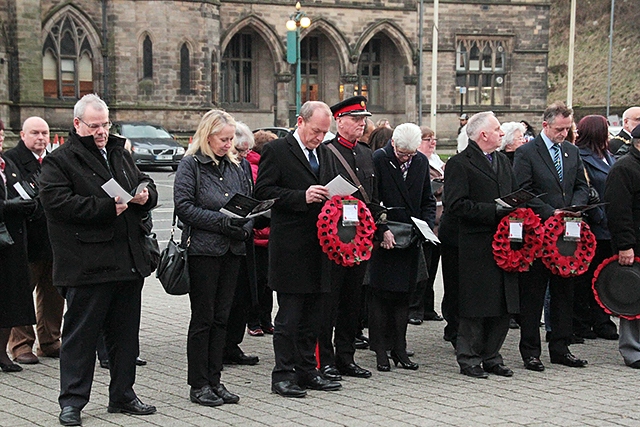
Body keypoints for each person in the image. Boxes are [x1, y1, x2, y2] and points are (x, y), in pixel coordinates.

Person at [39, 94, 158, 426]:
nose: (102, 131)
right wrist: (108, 207)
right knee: (81, 338)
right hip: (87, 264)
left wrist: (147, 195)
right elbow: (56, 203)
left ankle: (123, 395)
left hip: (127, 261)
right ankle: (72, 402)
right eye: (95, 126)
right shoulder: (60, 160)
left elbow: (142, 181)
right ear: (78, 124)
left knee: (125, 337)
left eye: (106, 124)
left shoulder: (119, 152)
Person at [254, 101, 341, 398]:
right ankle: (283, 374)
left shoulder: (325, 153)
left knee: (313, 317)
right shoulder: (277, 151)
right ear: (300, 122)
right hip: (291, 248)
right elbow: (263, 193)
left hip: (321, 247)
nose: (319, 137)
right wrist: (300, 196)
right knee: (289, 318)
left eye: (324, 133)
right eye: (316, 131)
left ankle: (307, 370)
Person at [174, 110, 253, 407]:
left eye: (231, 139)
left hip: (232, 249)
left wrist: (245, 226)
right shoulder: (191, 165)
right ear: (207, 137)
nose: (228, 144)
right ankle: (199, 383)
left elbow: (247, 200)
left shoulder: (235, 165)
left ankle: (216, 379)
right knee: (204, 318)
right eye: (223, 139)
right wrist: (221, 223)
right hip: (204, 251)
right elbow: (184, 207)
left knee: (223, 317)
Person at [513, 101, 590, 372]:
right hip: (538, 232)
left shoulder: (571, 151)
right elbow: (523, 190)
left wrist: (574, 208)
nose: (564, 134)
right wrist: (550, 212)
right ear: (545, 125)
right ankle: (531, 350)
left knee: (564, 292)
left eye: (568, 129)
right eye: (559, 129)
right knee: (533, 293)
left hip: (566, 233)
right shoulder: (526, 153)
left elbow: (581, 186)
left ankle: (560, 347)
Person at [445, 112, 519, 379]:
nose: (502, 133)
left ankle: (492, 356)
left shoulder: (502, 161)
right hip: (476, 244)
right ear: (482, 134)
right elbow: (456, 205)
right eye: (497, 129)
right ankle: (469, 358)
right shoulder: (459, 164)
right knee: (475, 305)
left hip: (506, 243)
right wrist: (493, 211)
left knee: (502, 303)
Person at [317, 96, 376, 382]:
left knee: (352, 302)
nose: (361, 124)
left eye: (363, 119)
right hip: (333, 238)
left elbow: (373, 196)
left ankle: (346, 356)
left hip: (359, 239)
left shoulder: (365, 153)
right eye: (355, 119)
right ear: (339, 121)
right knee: (329, 302)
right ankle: (324, 360)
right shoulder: (327, 152)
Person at [369, 123, 436, 372]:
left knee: (403, 297)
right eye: (402, 154)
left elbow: (427, 199)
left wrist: (426, 227)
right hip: (386, 237)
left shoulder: (419, 162)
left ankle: (399, 347)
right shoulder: (379, 158)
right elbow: (372, 199)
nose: (406, 159)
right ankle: (380, 350)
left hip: (410, 237)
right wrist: (381, 229)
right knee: (380, 296)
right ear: (393, 144)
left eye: (410, 154)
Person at [4, 117, 64, 365]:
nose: (41, 138)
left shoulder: (53, 160)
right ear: (22, 135)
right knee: (21, 294)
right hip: (25, 239)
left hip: (53, 240)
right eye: (35, 133)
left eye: (45, 133)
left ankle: (50, 341)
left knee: (53, 294)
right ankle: (20, 345)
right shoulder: (10, 160)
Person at [573, 115, 619, 341]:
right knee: (587, 276)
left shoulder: (608, 156)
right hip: (594, 224)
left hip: (610, 225)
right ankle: (584, 320)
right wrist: (598, 216)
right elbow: (587, 190)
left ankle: (602, 317)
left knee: (603, 274)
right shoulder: (581, 157)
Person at [221, 122, 260, 366]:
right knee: (225, 299)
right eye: (239, 150)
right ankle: (220, 347)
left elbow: (250, 194)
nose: (243, 155)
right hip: (221, 237)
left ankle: (233, 344)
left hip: (245, 238)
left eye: (246, 151)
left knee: (244, 296)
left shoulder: (245, 165)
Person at [0, 118, 37, 373]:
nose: (0, 140)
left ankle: (2, 354)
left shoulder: (6, 163)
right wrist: (8, 207)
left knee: (9, 300)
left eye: (1, 136)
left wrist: (28, 202)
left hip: (11, 242)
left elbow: (18, 189)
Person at [605, 123, 640, 368]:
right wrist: (625, 245)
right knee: (632, 296)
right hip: (635, 243)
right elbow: (618, 211)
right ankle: (633, 349)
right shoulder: (624, 168)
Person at [408, 126, 444, 325]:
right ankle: (415, 308)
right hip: (422, 223)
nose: (432, 142)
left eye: (433, 138)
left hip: (438, 224)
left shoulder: (437, 162)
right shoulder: (417, 161)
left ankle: (428, 307)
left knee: (432, 268)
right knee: (422, 269)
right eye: (427, 139)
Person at [245, 130, 277, 337]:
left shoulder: (263, 166)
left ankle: (265, 320)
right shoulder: (253, 168)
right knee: (257, 282)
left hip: (267, 234)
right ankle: (255, 321)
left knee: (267, 282)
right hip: (258, 235)